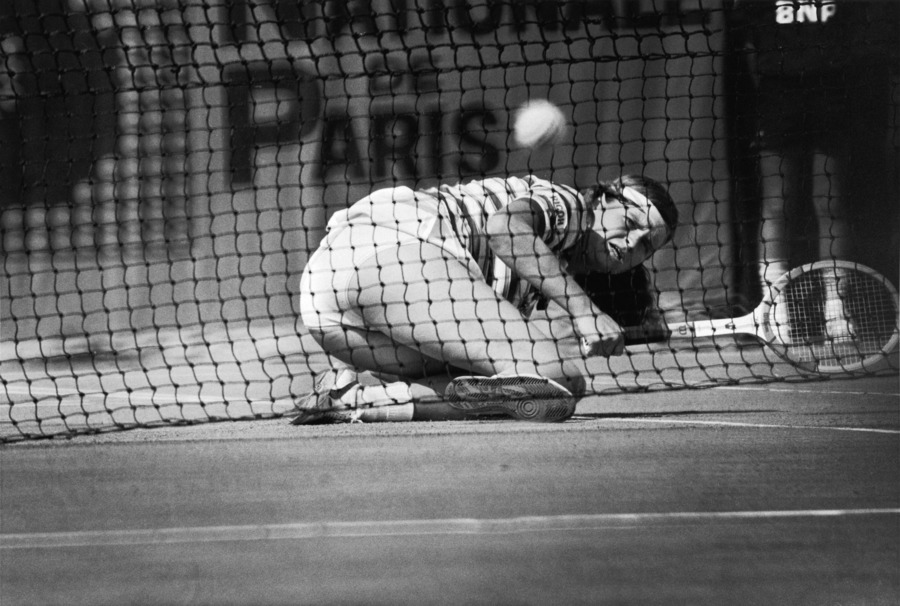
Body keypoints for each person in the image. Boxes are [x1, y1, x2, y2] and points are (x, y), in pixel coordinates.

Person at [293, 173, 678, 424]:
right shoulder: (573, 206)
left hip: (331, 317)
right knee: (558, 374)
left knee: (534, 384)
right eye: (630, 223)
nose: (632, 243)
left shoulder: (545, 270)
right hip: (392, 247)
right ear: (603, 200)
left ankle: (354, 399)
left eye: (646, 245)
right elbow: (505, 229)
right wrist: (584, 311)